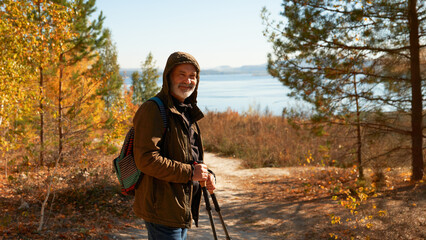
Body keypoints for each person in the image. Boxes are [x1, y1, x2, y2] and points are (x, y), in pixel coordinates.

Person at [133, 51, 216, 240]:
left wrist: (206, 174)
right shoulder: (153, 109)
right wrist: (189, 173)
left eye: (192, 76)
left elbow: (189, 157)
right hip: (161, 208)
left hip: (179, 206)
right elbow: (146, 159)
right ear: (168, 76)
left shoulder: (186, 110)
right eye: (182, 74)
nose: (188, 81)